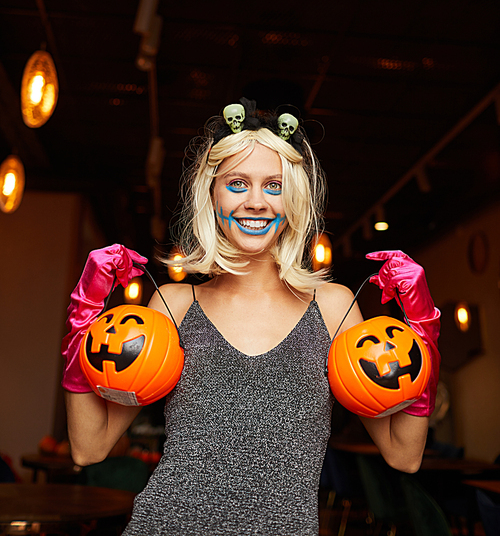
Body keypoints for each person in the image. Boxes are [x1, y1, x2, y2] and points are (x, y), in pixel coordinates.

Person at [62, 98, 440, 536]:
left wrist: (424, 326)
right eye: (237, 183)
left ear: (291, 199)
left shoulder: (333, 307)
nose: (256, 201)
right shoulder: (173, 303)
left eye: (273, 186)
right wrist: (84, 315)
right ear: (212, 193)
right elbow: (90, 447)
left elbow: (403, 454)